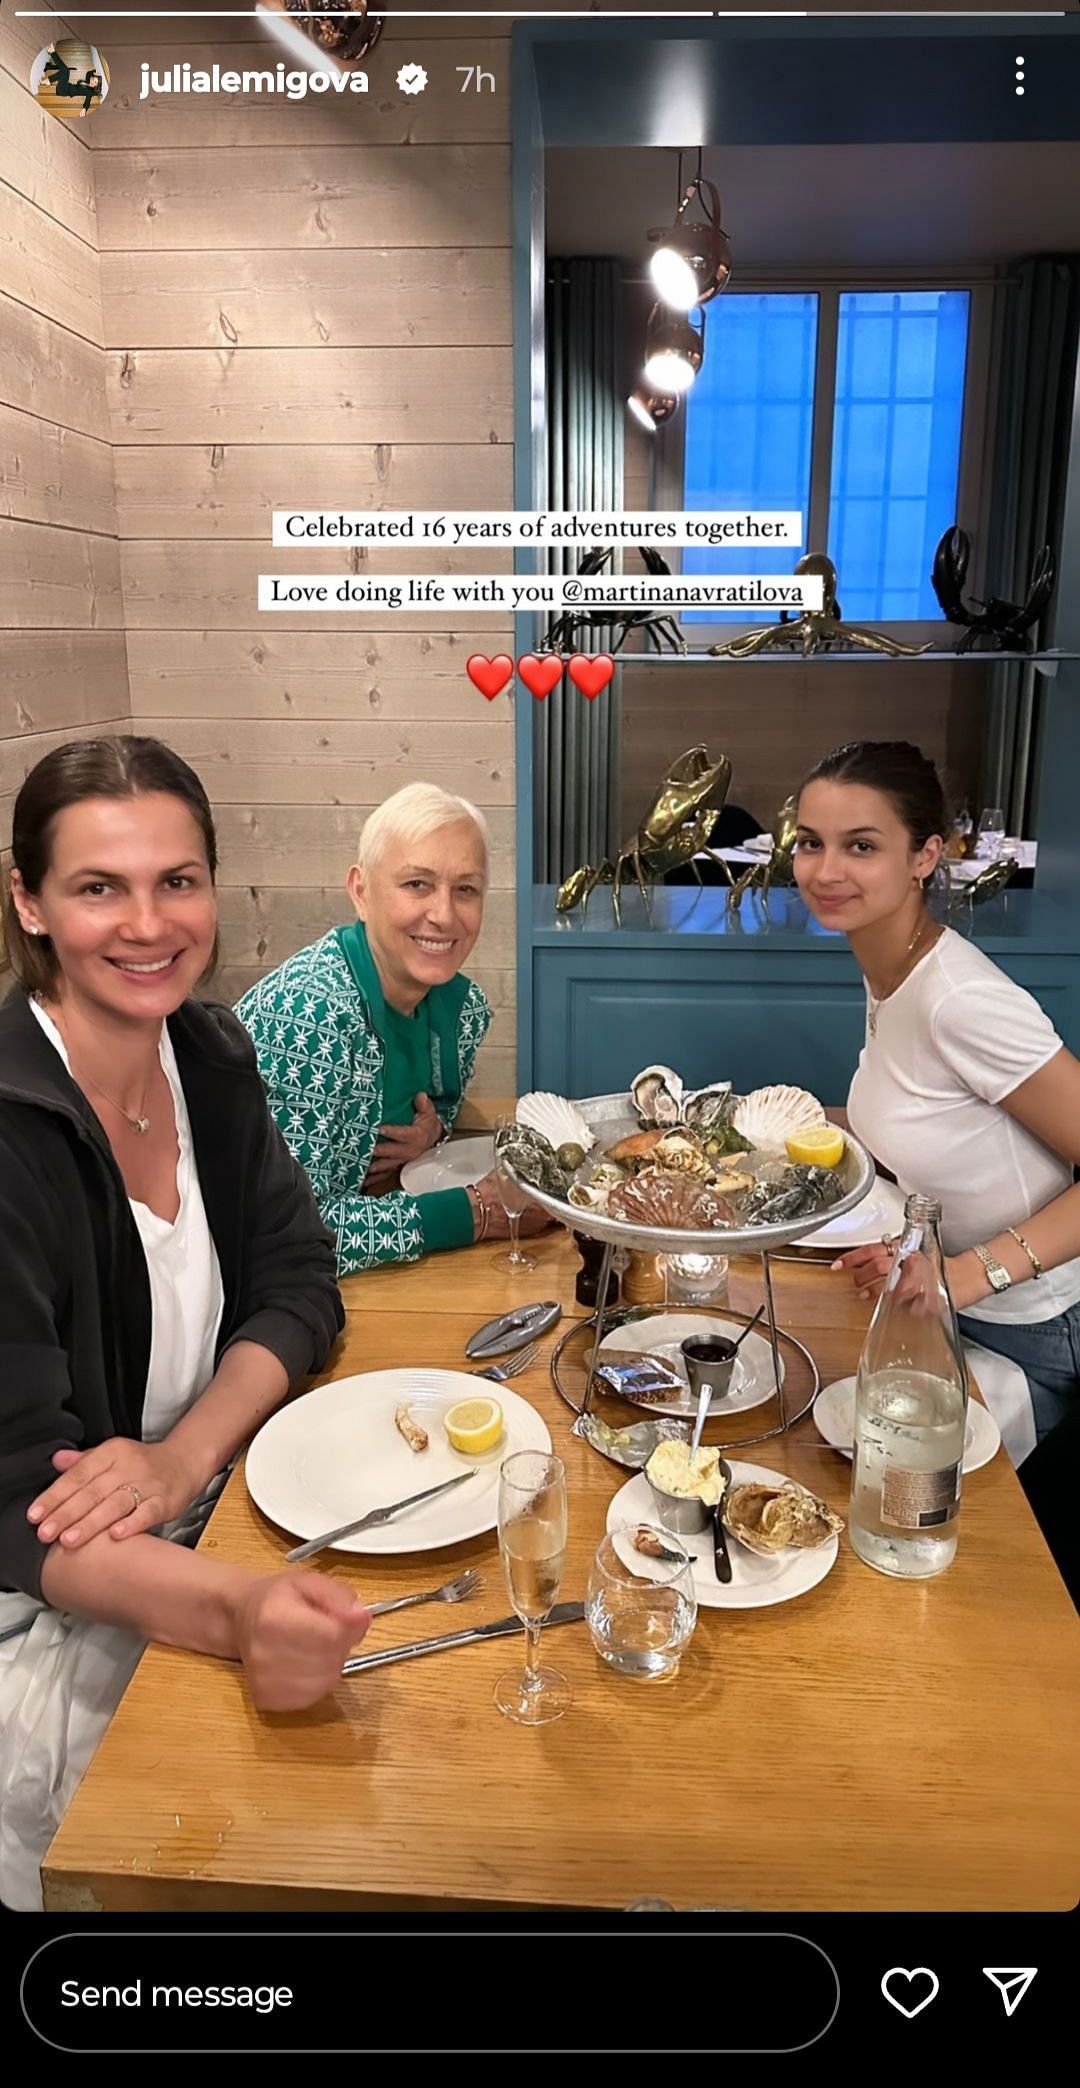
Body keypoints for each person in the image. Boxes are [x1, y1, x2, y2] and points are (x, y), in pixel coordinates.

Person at [0, 736, 371, 1911]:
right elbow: (18, 1506)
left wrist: (182, 1455)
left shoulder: (206, 1053)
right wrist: (233, 1609)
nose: (148, 923)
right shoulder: (8, 1136)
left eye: (179, 880)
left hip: (204, 1511)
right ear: (30, 903)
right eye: (98, 886)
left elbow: (301, 1278)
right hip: (46, 1607)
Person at [793, 738, 1080, 1460]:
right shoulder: (890, 966)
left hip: (1034, 1331)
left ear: (924, 856)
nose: (826, 871)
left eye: (861, 846)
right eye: (809, 843)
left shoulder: (960, 999)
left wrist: (958, 1276)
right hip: (943, 1304)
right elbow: (925, 1120)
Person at [235, 782, 550, 1271]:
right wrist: (477, 1213)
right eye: (416, 884)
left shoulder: (461, 1009)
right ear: (360, 892)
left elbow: (440, 1107)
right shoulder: (311, 1015)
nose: (444, 915)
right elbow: (291, 1234)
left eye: (465, 889)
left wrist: (434, 1132)